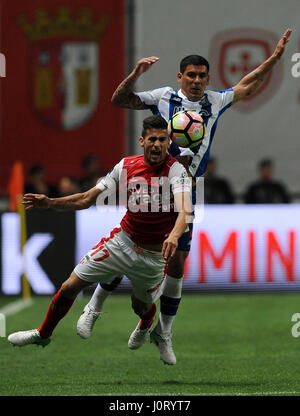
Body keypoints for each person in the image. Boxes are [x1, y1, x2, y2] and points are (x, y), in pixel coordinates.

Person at [76, 29, 292, 365]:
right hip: (152, 183)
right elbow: (120, 100)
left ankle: (164, 332)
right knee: (129, 244)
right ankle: (94, 306)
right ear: (180, 77)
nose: (195, 80)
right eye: (190, 75)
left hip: (189, 189)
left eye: (201, 76)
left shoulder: (215, 102)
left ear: (208, 79)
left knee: (176, 263)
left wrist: (276, 59)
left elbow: (249, 83)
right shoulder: (163, 97)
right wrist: (134, 74)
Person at [7, 115, 192, 351]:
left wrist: (175, 236)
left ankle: (146, 323)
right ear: (142, 141)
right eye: (152, 139)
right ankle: (43, 333)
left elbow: (185, 210)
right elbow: (86, 199)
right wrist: (50, 202)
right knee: (69, 286)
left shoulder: (176, 171)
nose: (157, 145)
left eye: (162, 140)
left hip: (153, 256)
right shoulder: (125, 166)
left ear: (168, 143)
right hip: (123, 242)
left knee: (141, 306)